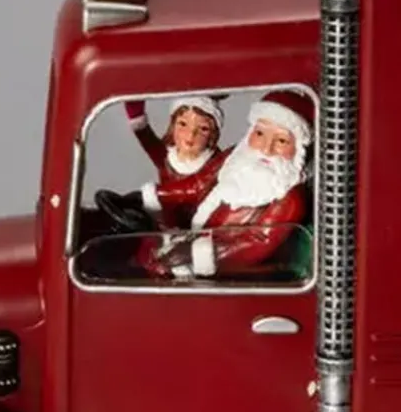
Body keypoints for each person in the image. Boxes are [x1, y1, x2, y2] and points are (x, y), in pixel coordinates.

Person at [141, 89, 314, 281]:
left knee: (155, 267)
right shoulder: (237, 157)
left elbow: (257, 242)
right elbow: (198, 185)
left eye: (282, 140)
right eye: (259, 133)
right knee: (145, 251)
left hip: (229, 271)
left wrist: (192, 253)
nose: (266, 148)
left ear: (298, 148)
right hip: (195, 236)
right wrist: (150, 195)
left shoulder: (290, 197)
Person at [115, 95, 227, 228]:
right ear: (172, 126)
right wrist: (135, 111)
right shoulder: (166, 156)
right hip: (168, 226)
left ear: (212, 134)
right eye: (183, 124)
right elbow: (144, 134)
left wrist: (149, 195)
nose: (190, 135)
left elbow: (193, 189)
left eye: (203, 129)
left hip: (204, 228)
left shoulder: (216, 164)